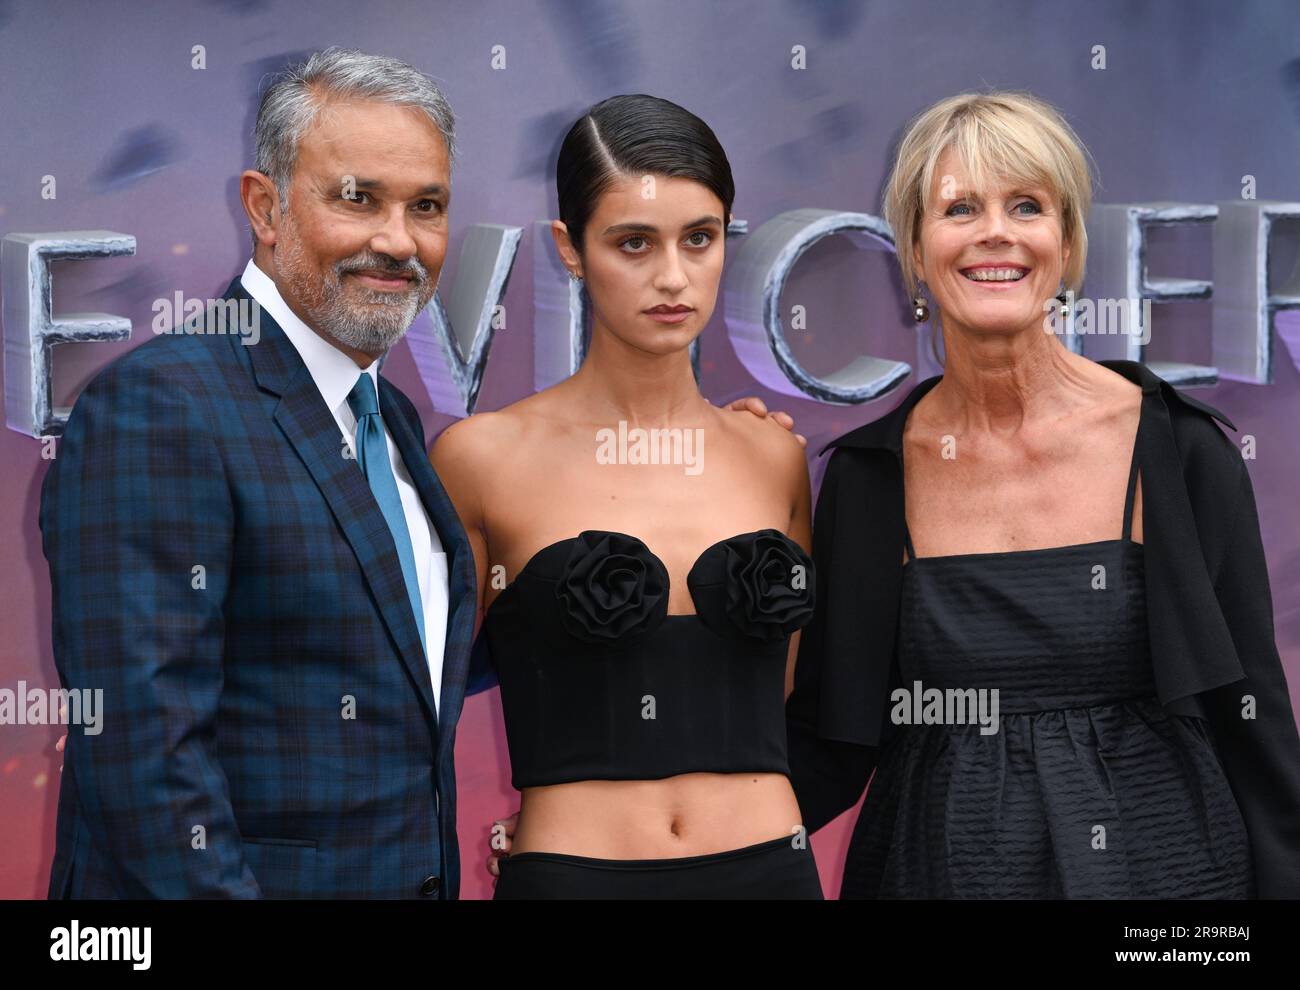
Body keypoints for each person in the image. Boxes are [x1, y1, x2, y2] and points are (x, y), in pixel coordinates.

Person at [786, 90, 1300, 898]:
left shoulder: (1181, 450)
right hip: (938, 872)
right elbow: (828, 740)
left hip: (1167, 891)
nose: (996, 230)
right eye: (959, 207)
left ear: (1066, 242)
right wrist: (630, 837)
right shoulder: (865, 477)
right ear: (915, 251)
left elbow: (1253, 722)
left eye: (1026, 205)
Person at [436, 94, 823, 899]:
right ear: (569, 248)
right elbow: (419, 711)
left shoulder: (775, 455)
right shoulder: (482, 458)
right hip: (575, 878)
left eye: (700, 239)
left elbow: (787, 695)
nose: (673, 277)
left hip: (769, 877)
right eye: (634, 243)